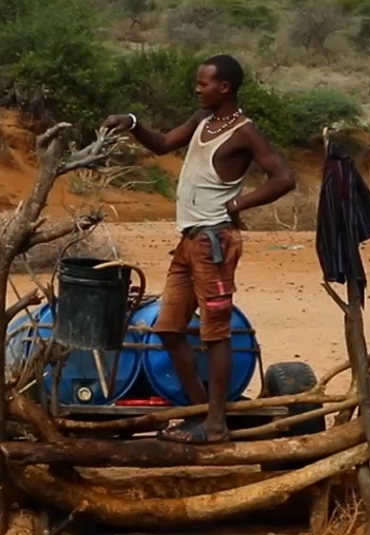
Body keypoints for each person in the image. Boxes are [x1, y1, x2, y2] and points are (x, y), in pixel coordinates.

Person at [102, 54, 296, 443]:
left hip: (214, 242)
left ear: (224, 87)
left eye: (204, 83)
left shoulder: (244, 132)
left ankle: (214, 424)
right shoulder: (202, 122)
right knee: (169, 328)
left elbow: (284, 178)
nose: (197, 88)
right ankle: (200, 411)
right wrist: (134, 124)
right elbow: (161, 146)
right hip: (190, 241)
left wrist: (238, 205)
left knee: (215, 333)